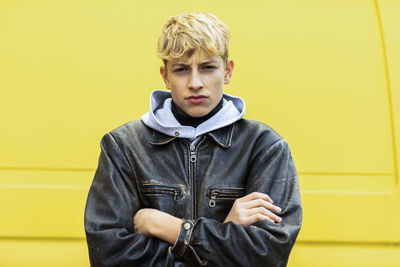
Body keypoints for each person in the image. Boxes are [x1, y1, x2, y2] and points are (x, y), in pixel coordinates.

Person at [84, 12, 302, 267]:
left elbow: (268, 255)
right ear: (165, 76)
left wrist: (167, 226)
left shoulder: (264, 148)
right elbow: (109, 257)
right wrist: (225, 231)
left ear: (227, 71)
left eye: (208, 68)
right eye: (181, 69)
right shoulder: (124, 146)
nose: (195, 83)